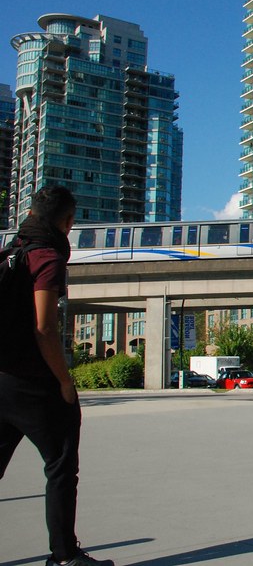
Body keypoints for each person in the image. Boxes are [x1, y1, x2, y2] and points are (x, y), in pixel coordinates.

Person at [0, 186, 115, 566]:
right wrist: (65, 382)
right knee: (61, 466)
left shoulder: (10, 253)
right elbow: (44, 328)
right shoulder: (47, 257)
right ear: (66, 222)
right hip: (34, 383)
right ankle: (64, 557)